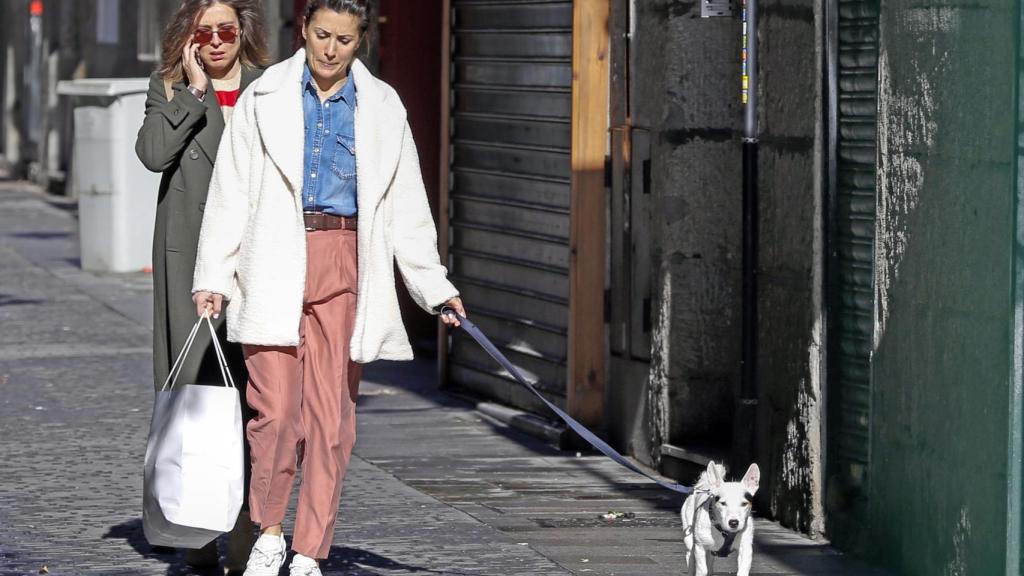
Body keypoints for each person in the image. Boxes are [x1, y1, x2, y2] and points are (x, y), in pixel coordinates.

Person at [190, 1, 467, 574]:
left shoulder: (383, 108)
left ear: (361, 40)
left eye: (345, 38)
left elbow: (406, 205)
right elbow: (230, 192)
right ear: (304, 32)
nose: (331, 49)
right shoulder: (263, 98)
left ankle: (310, 548)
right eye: (322, 35)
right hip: (271, 259)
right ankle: (268, 530)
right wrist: (213, 275)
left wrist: (434, 288)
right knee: (275, 413)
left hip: (345, 260)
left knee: (331, 420)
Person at [135, 0, 268, 572]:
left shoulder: (271, 88)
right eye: (204, 32)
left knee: (256, 396)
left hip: (259, 258)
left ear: (244, 34)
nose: (216, 42)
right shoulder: (168, 86)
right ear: (188, 38)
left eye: (226, 31)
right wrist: (192, 92)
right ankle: (196, 531)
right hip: (190, 262)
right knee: (197, 395)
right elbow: (152, 153)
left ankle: (247, 534)